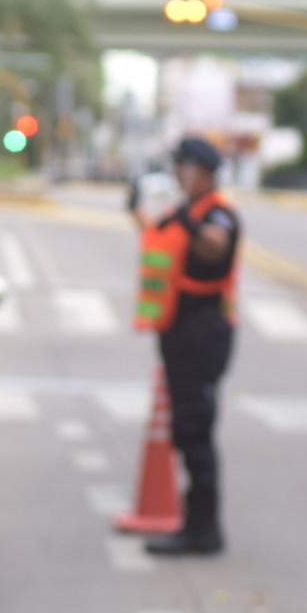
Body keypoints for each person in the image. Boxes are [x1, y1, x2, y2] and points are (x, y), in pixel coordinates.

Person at [127, 136, 241, 556]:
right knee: (185, 430)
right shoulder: (187, 211)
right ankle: (195, 525)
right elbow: (158, 234)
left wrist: (188, 222)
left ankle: (203, 531)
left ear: (203, 171)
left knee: (196, 431)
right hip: (178, 333)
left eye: (185, 167)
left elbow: (215, 247)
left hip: (202, 334)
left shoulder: (218, 214)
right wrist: (134, 207)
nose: (178, 174)